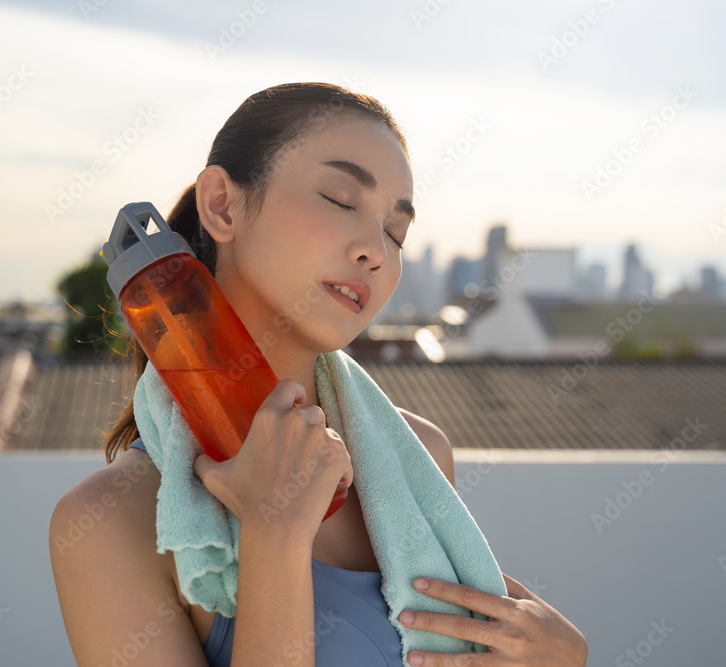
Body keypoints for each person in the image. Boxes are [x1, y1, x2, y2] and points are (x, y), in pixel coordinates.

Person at [49, 82, 587, 666]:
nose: (377, 251)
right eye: (339, 198)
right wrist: (273, 531)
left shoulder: (420, 457)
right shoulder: (110, 523)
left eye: (396, 231)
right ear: (222, 205)